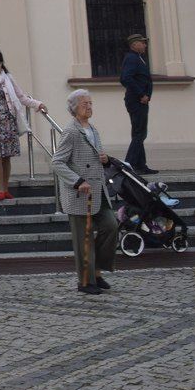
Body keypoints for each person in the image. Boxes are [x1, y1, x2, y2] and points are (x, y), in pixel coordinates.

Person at [51, 89, 119, 295]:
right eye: (85, 104)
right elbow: (57, 162)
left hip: (98, 191)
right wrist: (77, 181)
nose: (89, 107)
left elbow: (94, 157)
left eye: (90, 103)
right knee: (84, 238)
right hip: (80, 193)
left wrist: (105, 159)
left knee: (111, 225)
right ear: (74, 108)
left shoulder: (93, 129)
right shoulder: (70, 132)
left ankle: (96, 271)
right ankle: (85, 281)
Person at [0, 49, 47, 203]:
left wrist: (37, 104)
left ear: (1, 64)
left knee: (6, 156)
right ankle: (0, 189)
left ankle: (6, 188)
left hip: (7, 121)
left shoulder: (8, 79)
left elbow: (21, 97)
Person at [119, 33, 156, 174]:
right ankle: (128, 165)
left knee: (139, 133)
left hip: (139, 100)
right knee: (139, 133)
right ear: (135, 44)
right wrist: (141, 94)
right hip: (136, 100)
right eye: (143, 42)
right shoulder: (132, 58)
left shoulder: (138, 58)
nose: (145, 45)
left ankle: (140, 166)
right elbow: (126, 78)